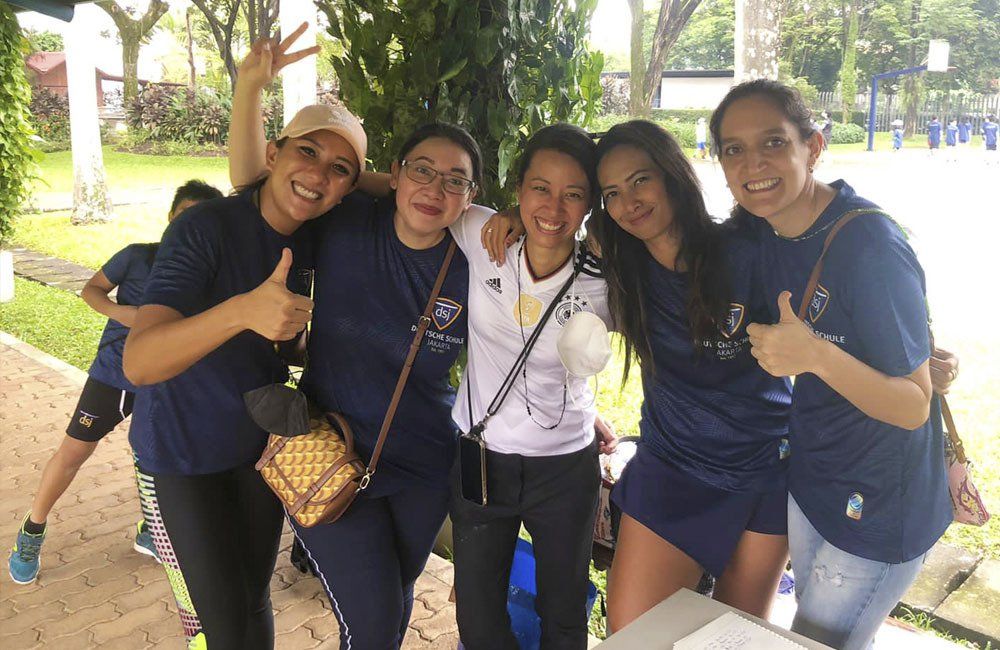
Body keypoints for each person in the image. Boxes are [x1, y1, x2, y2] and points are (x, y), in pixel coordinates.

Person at [229, 33, 477, 649]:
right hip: (328, 449)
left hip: (422, 465)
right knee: (370, 620)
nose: (435, 190)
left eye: (455, 181)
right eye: (422, 171)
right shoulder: (343, 225)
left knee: (390, 610)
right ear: (394, 175)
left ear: (471, 197)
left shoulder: (479, 262)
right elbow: (254, 183)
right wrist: (249, 89)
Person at [710, 79, 951, 650]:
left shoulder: (869, 244)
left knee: (817, 641)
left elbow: (914, 405)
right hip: (814, 478)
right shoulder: (763, 231)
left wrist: (814, 355)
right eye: (733, 149)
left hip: (879, 499)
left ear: (813, 147)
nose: (753, 164)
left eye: (773, 142)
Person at [124, 89, 364, 646]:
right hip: (183, 456)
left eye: (339, 170)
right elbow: (139, 362)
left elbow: (389, 188)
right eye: (307, 152)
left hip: (257, 451)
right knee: (225, 626)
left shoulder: (315, 231)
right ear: (273, 154)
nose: (318, 174)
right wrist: (241, 312)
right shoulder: (205, 227)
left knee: (255, 605)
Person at [590, 121, 793, 631]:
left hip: (762, 471)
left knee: (730, 637)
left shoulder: (747, 251)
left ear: (672, 174)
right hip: (671, 471)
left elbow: (835, 308)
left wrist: (920, 352)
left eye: (640, 180)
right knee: (634, 639)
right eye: (612, 193)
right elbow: (545, 217)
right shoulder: (618, 262)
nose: (629, 202)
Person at [450, 124, 617, 650]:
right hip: (481, 461)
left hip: (564, 469)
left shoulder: (605, 279)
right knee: (477, 614)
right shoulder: (483, 237)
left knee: (563, 610)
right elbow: (400, 189)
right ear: (517, 189)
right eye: (540, 188)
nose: (554, 207)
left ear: (589, 205)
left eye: (574, 194)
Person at [8, 180, 222, 586]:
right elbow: (91, 290)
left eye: (200, 222)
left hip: (167, 384)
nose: (188, 230)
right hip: (112, 375)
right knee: (73, 453)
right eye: (182, 219)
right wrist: (123, 315)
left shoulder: (213, 274)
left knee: (156, 460)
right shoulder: (138, 257)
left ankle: (150, 529)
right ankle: (32, 530)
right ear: (169, 220)